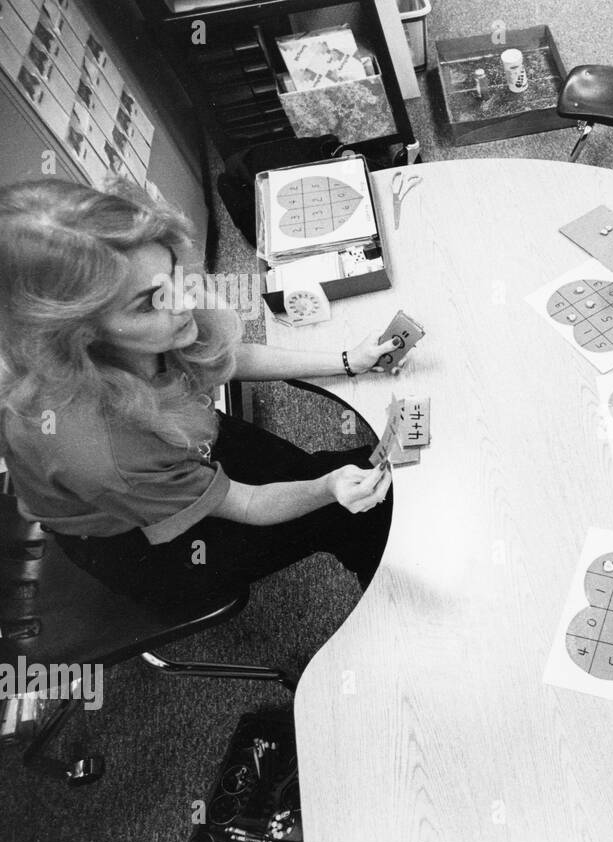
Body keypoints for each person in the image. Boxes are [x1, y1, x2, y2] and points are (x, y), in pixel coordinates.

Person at [0, 178, 399, 608]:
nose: (184, 302)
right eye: (149, 303)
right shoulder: (105, 452)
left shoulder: (152, 319)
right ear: (79, 334)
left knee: (347, 481)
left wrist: (346, 360)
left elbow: (220, 357)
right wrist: (327, 489)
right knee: (352, 513)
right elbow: (247, 504)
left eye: (173, 271)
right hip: (141, 542)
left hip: (179, 443)